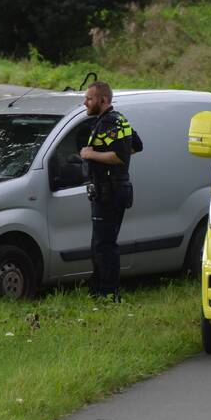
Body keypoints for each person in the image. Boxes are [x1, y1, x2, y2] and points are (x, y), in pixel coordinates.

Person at [79, 81, 141, 301]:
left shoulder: (109, 123)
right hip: (113, 188)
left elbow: (121, 155)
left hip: (110, 191)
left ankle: (108, 292)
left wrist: (91, 155)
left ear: (102, 100)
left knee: (104, 245)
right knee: (102, 242)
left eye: (89, 98)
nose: (85, 102)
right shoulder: (117, 120)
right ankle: (98, 288)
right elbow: (136, 145)